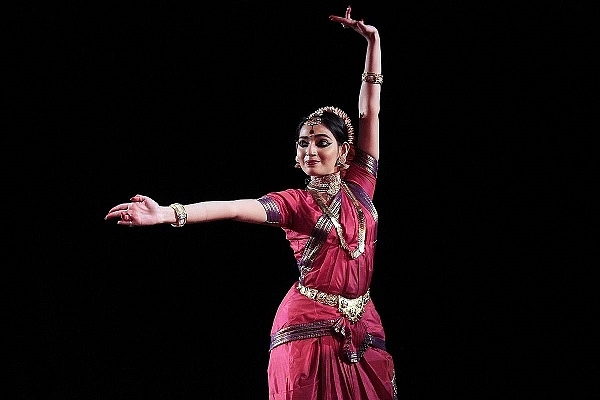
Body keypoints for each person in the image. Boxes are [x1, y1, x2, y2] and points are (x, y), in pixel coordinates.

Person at [105, 5, 396, 400]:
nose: (310, 150)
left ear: (344, 152)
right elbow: (234, 207)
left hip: (362, 324)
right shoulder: (295, 203)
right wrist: (167, 214)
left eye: (321, 142)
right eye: (303, 143)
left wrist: (373, 43)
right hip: (308, 329)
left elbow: (370, 112)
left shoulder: (361, 185)